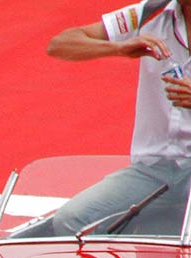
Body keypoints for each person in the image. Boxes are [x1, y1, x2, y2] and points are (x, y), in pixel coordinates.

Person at [41, 2, 191, 236]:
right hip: (153, 170)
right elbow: (59, 45)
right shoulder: (150, 11)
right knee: (72, 221)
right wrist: (119, 48)